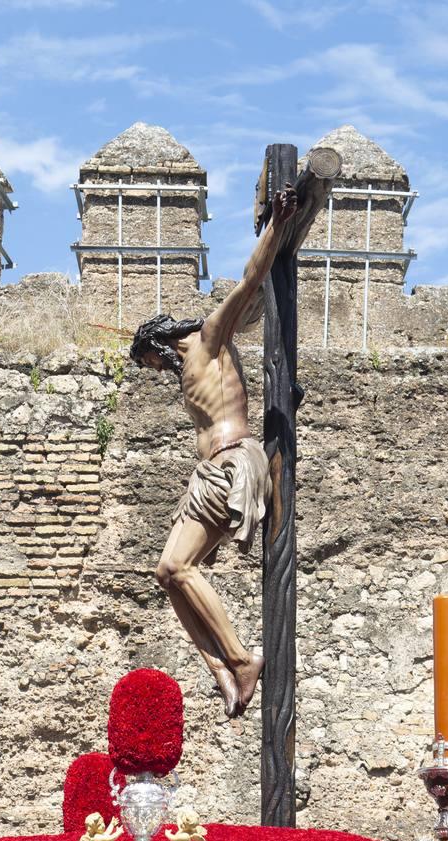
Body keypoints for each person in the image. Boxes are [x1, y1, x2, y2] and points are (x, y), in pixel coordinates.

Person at [129, 183, 299, 718]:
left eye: (153, 364)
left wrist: (279, 220)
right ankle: (224, 670)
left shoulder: (208, 339)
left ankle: (242, 658)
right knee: (166, 571)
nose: (159, 373)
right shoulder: (191, 367)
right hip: (211, 470)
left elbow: (251, 279)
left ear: (158, 347)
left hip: (231, 462)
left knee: (178, 568)